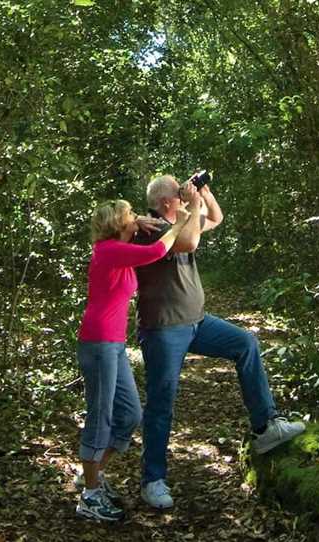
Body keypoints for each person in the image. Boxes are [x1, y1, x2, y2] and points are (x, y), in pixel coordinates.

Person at [133, 173, 305, 510]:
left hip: (198, 323)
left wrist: (205, 193)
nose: (184, 195)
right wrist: (193, 202)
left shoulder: (183, 218)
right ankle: (152, 480)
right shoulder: (149, 229)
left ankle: (265, 426)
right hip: (164, 330)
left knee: (246, 344)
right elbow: (189, 243)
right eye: (178, 192)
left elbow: (215, 218)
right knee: (161, 403)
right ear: (167, 200)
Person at [75, 199, 193, 521]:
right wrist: (181, 223)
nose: (136, 217)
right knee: (101, 417)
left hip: (113, 344)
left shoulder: (119, 247)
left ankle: (93, 473)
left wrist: (137, 220)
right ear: (118, 223)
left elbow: (142, 235)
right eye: (130, 215)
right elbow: (157, 251)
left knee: (128, 415)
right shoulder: (108, 249)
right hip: (98, 342)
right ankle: (89, 494)